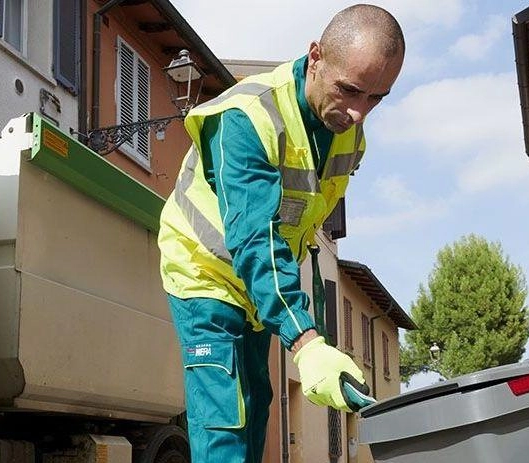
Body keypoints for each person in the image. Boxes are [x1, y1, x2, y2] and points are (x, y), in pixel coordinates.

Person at [157, 4, 405, 462]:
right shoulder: (246, 117)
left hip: (257, 288)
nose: (358, 113)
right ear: (315, 56)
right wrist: (305, 340)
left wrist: (309, 329)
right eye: (349, 90)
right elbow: (255, 236)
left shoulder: (346, 132)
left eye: (376, 98)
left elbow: (301, 227)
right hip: (205, 274)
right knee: (225, 425)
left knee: (255, 413)